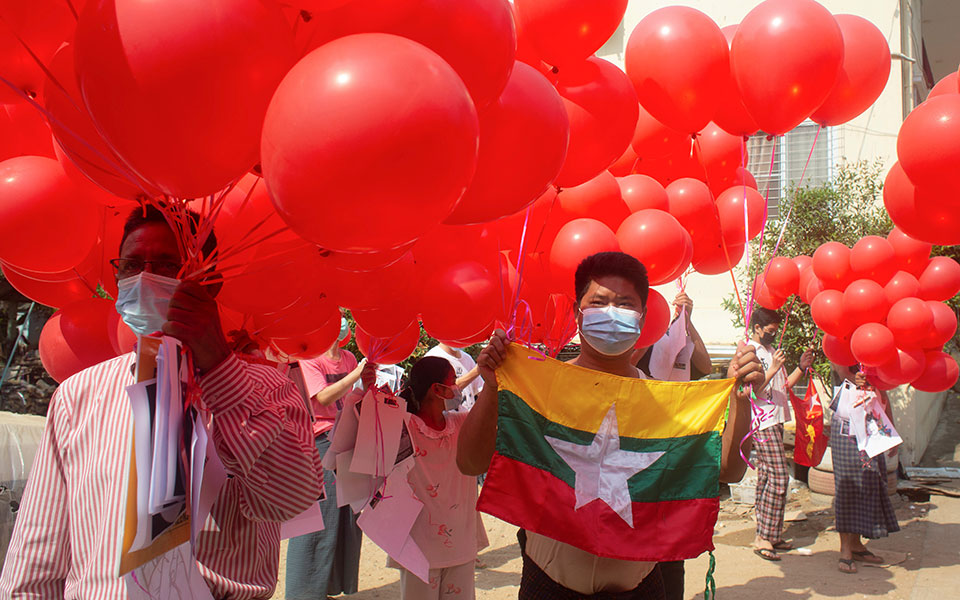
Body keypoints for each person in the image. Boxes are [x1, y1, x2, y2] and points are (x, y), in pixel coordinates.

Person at [0, 205, 323, 599]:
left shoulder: (269, 389)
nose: (146, 279)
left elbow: (288, 500)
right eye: (132, 265)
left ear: (212, 281)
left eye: (168, 266)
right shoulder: (78, 395)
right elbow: (38, 554)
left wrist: (220, 368)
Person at [456, 251, 765, 598]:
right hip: (548, 587)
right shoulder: (538, 388)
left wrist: (740, 401)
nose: (611, 313)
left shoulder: (663, 402)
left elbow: (728, 469)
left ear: (643, 317)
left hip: (639, 589)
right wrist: (493, 388)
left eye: (624, 304)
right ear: (577, 312)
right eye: (599, 302)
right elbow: (470, 463)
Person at [635, 291, 712, 600]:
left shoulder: (679, 334)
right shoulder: (635, 341)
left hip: (675, 442)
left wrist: (687, 322)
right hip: (638, 440)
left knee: (669, 545)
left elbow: (704, 365)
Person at [389, 356, 487, 599]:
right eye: (453, 381)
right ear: (437, 389)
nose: (457, 388)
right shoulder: (402, 427)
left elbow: (491, 410)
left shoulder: (463, 423)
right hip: (419, 546)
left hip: (461, 542)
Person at [286, 336, 369, 600]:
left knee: (346, 518)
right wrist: (356, 374)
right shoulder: (309, 358)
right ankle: (305, 593)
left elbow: (352, 397)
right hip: (320, 442)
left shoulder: (348, 357)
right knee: (320, 518)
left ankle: (330, 587)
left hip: (347, 439)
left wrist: (367, 383)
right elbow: (322, 396)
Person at [747, 307, 813, 561]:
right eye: (770, 331)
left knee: (767, 477)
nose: (773, 336)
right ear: (757, 328)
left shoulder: (771, 352)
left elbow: (782, 387)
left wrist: (800, 367)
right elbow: (752, 391)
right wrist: (772, 368)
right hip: (761, 421)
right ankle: (765, 534)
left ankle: (768, 534)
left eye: (775, 331)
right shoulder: (749, 351)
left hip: (775, 419)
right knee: (778, 477)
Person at [830, 363, 900, 574]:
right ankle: (845, 550)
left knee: (869, 484)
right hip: (846, 431)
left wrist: (892, 432)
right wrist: (856, 379)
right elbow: (841, 371)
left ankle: (857, 544)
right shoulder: (840, 350)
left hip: (872, 428)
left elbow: (884, 396)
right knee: (847, 488)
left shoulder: (877, 358)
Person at [637, 291, 712, 382]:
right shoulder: (631, 341)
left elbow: (705, 368)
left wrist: (687, 320)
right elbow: (625, 371)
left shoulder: (675, 340)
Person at [425, 342, 483, 411]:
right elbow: (445, 392)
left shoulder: (467, 358)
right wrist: (476, 370)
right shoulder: (432, 358)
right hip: (447, 419)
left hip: (469, 419)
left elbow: (480, 391)